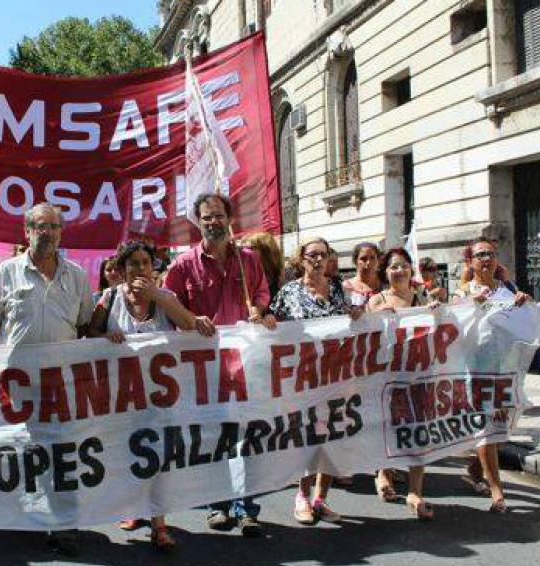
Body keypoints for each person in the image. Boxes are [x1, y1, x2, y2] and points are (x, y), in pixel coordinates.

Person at [0, 203, 94, 555]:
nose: (48, 233)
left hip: (62, 382)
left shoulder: (77, 276)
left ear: (61, 233)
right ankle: (27, 518)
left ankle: (65, 526)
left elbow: (86, 324)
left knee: (63, 452)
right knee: (21, 450)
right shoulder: (6, 273)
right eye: (40, 227)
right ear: (26, 231)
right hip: (18, 382)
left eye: (54, 227)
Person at [87, 240, 215, 551]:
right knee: (127, 455)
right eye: (134, 264)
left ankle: (159, 525)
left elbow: (188, 325)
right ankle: (133, 509)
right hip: (122, 396)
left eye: (146, 262)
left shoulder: (165, 297)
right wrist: (106, 336)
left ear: (153, 267)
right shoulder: (108, 298)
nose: (140, 268)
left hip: (161, 396)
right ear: (122, 270)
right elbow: (88, 335)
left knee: (156, 458)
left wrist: (157, 295)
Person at [163, 193, 274, 537]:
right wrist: (191, 319)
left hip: (244, 364)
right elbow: (169, 305)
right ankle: (217, 505)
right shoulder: (183, 265)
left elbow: (262, 294)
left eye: (219, 216)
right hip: (205, 367)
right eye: (207, 217)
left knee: (247, 438)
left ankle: (247, 508)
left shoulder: (249, 259)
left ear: (230, 219)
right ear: (198, 222)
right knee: (214, 438)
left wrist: (259, 309)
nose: (213, 222)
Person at [269, 236, 362, 526]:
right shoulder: (290, 292)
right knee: (308, 438)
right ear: (301, 260)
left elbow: (349, 319)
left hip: (336, 375)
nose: (318, 260)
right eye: (312, 255)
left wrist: (356, 313)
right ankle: (302, 496)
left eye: (323, 255)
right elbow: (273, 323)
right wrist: (266, 321)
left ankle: (321, 498)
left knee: (334, 437)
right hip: (304, 378)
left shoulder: (337, 288)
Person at [452, 236, 531, 513]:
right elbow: (452, 329)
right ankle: (497, 491)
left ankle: (475, 470)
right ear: (470, 262)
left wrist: (525, 302)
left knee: (499, 429)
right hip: (474, 371)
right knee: (487, 427)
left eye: (490, 254)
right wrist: (468, 305)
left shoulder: (507, 289)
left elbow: (524, 321)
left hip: (504, 369)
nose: (486, 259)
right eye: (480, 254)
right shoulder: (462, 292)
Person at [365, 248, 437, 520]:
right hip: (386, 377)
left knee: (419, 431)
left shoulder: (423, 298)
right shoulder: (376, 300)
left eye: (404, 266)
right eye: (394, 266)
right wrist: (377, 317)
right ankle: (383, 472)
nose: (399, 271)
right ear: (385, 272)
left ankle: (415, 491)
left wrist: (435, 313)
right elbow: (365, 335)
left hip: (419, 374)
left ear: (411, 270)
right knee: (387, 427)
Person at [242, 232, 287, 300]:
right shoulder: (244, 276)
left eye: (249, 248)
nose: (243, 252)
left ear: (266, 251)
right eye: (242, 248)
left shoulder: (284, 277)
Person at [343, 242, 383, 307]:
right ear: (355, 261)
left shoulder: (387, 286)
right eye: (363, 259)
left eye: (372, 258)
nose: (368, 263)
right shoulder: (345, 288)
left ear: (378, 261)